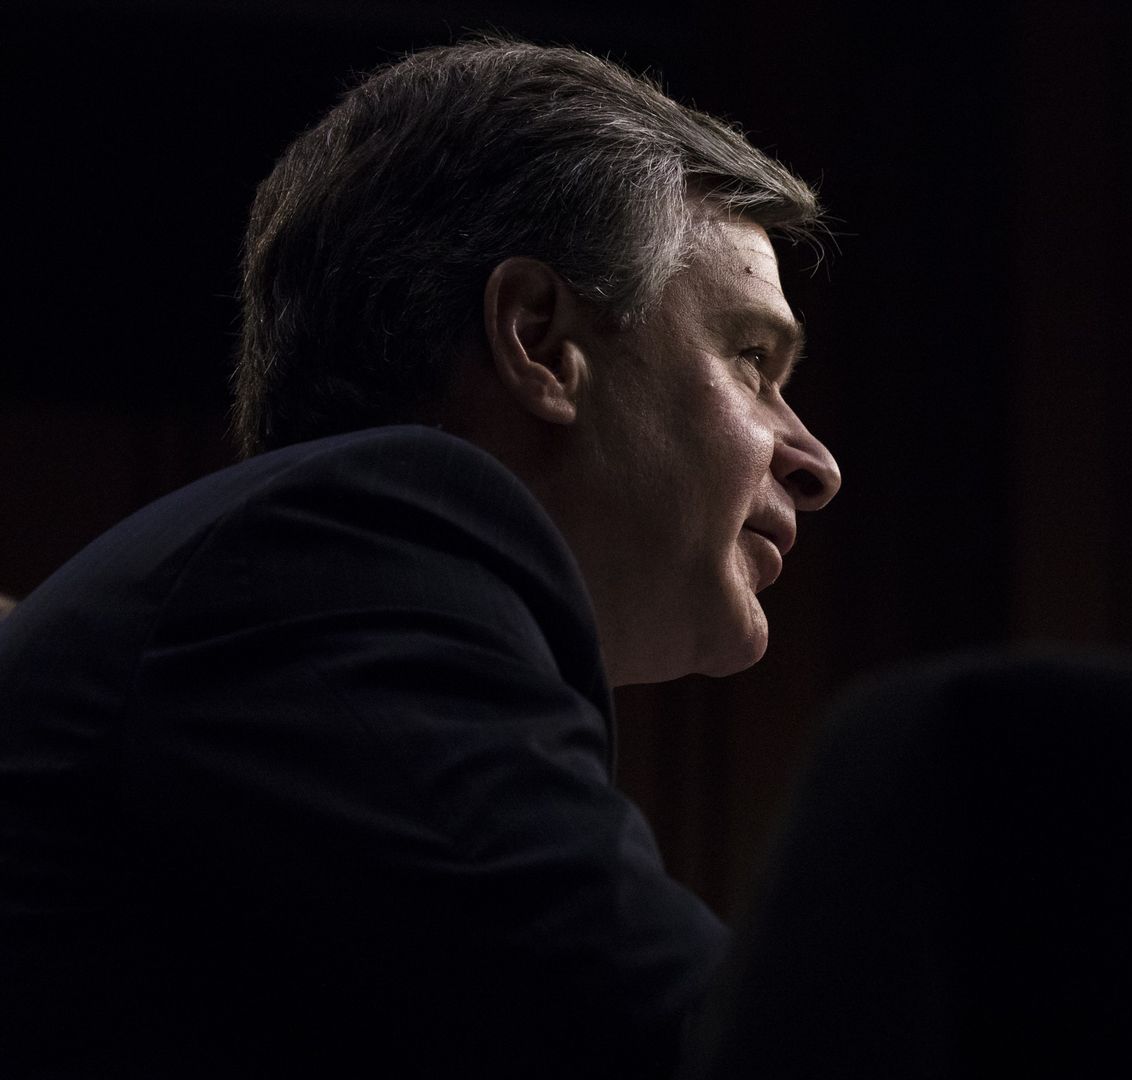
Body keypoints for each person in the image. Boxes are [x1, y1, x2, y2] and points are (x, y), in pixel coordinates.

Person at [0, 37, 839, 1077]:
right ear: (540, 340)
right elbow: (691, 1044)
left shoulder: (297, 587)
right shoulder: (351, 552)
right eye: (752, 359)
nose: (815, 462)